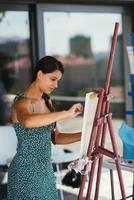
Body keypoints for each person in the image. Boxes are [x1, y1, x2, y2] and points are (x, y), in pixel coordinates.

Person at [7, 56, 83, 200]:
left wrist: (85, 134)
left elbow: (56, 138)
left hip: (46, 172)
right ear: (40, 74)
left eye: (58, 81)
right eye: (53, 79)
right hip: (25, 172)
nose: (56, 85)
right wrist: (65, 114)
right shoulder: (21, 102)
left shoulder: (47, 102)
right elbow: (27, 122)